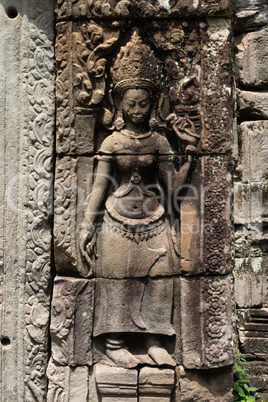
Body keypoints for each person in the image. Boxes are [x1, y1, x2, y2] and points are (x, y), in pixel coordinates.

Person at [80, 31, 199, 369]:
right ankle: (115, 344)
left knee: (161, 277)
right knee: (116, 280)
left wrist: (188, 155)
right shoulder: (113, 143)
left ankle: (154, 340)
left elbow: (172, 193)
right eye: (129, 103)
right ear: (119, 104)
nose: (136, 110)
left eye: (143, 103)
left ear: (154, 103)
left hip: (153, 218)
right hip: (117, 220)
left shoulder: (160, 142)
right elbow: (99, 186)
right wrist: (88, 223)